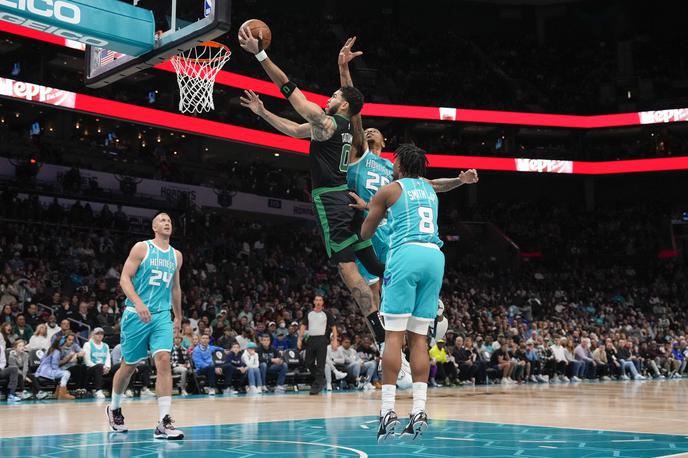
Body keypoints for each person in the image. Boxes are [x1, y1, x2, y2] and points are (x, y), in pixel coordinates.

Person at [239, 32, 386, 345]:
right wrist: (263, 112)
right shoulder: (350, 129)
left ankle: (381, 337)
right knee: (374, 264)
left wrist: (260, 55)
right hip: (346, 200)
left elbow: (290, 91)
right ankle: (408, 291)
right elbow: (294, 130)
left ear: (342, 104)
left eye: (333, 96)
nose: (327, 99)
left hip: (331, 203)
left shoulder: (327, 123)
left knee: (350, 274)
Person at [351, 144, 445, 442]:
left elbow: (366, 233)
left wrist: (368, 212)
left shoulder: (390, 189)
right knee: (420, 339)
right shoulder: (428, 188)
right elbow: (440, 185)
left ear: (401, 165)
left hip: (406, 256)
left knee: (393, 336)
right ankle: (419, 409)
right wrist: (462, 180)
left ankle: (388, 409)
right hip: (435, 257)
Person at [106, 212, 184, 439]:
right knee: (128, 367)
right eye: (162, 220)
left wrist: (178, 316)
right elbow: (124, 279)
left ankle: (163, 422)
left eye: (169, 220)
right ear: (153, 227)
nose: (167, 222)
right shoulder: (142, 248)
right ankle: (114, 408)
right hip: (136, 315)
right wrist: (138, 302)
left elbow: (176, 288)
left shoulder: (176, 255)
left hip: (161, 316)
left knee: (164, 360)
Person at [298, 295, 338, 395]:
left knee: (320, 364)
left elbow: (333, 327)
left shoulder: (327, 314)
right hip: (311, 339)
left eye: (320, 300)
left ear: (323, 302)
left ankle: (316, 386)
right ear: (314, 302)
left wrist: (335, 340)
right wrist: (299, 339)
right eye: (316, 300)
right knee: (308, 362)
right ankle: (320, 379)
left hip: (322, 339)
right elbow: (303, 326)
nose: (318, 302)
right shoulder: (309, 313)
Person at [35, 333, 74, 400]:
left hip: (42, 371)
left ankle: (57, 393)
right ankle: (62, 394)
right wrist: (67, 359)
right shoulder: (57, 351)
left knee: (62, 373)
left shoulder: (50, 349)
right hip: (48, 372)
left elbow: (42, 360)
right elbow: (54, 366)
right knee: (66, 373)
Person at [83, 327, 111, 399]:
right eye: (97, 334)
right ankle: (98, 390)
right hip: (91, 369)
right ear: (93, 335)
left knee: (118, 367)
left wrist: (107, 367)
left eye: (101, 333)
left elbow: (108, 358)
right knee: (99, 366)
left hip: (104, 368)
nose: (100, 335)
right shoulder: (87, 344)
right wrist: (102, 367)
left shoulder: (106, 345)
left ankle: (119, 391)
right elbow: (87, 361)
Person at [0, 337, 21, 402]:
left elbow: (3, 361)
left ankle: (11, 394)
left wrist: (0, 368)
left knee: (14, 369)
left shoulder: (1, 347)